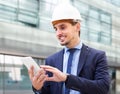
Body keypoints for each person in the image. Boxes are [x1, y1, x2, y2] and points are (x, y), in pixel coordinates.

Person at [28, 3, 110, 94]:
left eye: (62, 27)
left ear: (77, 27)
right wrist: (38, 88)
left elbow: (103, 88)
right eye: (56, 29)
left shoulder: (97, 56)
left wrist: (67, 78)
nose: (58, 33)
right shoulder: (51, 60)